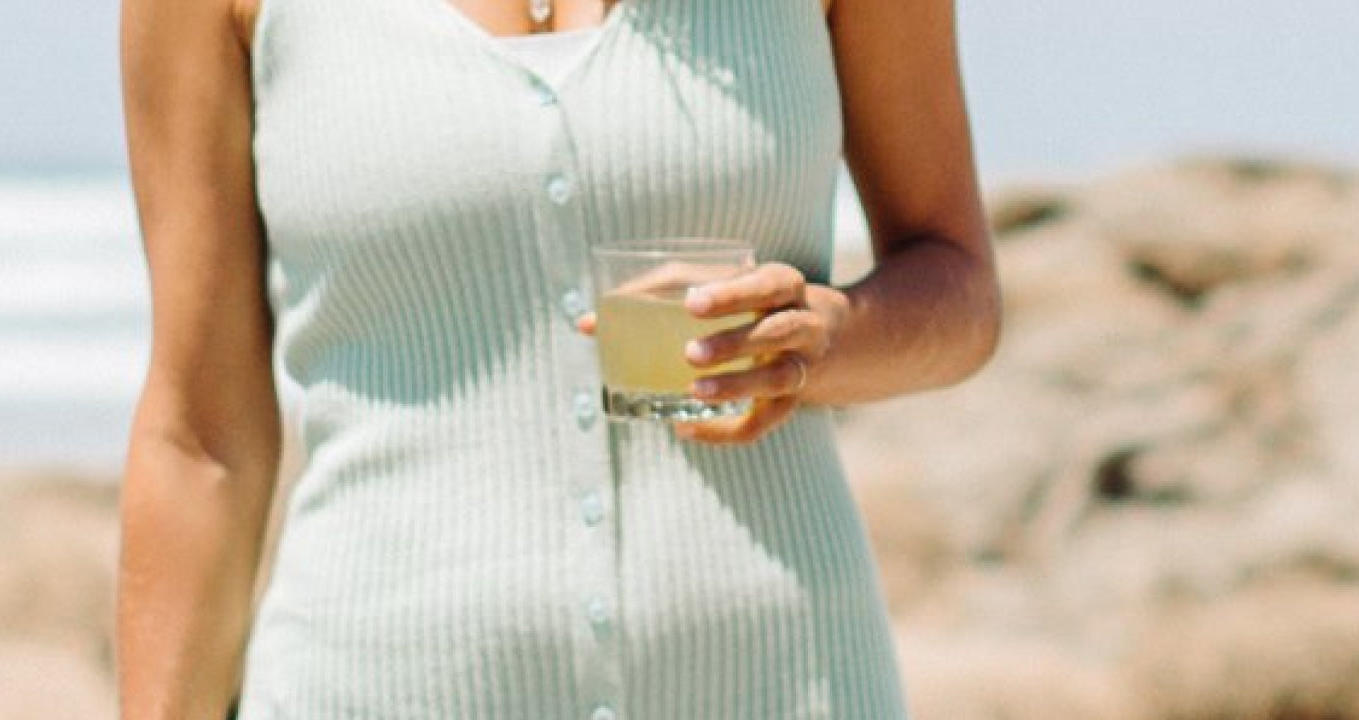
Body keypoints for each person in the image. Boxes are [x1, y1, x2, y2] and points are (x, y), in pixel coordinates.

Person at [116, 0, 1001, 717]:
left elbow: (956, 282)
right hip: (369, 683)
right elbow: (202, 438)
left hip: (780, 681)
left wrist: (822, 341)